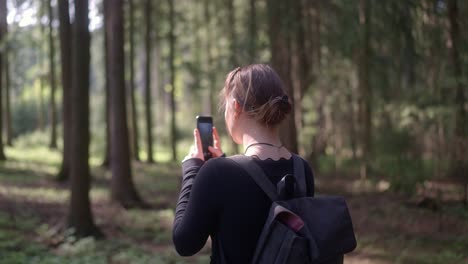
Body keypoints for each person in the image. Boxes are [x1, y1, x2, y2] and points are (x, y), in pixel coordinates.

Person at [172, 64, 315, 263]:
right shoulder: (301, 169)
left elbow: (184, 243)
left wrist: (192, 169)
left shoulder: (217, 174)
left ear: (235, 106)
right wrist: (223, 164)